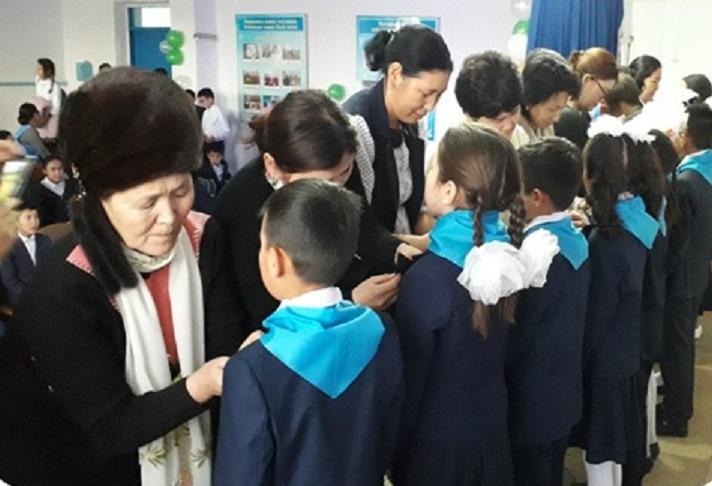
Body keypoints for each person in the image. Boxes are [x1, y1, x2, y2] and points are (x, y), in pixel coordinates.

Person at [1, 67, 247, 485]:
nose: (170, 218)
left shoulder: (203, 239)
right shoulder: (63, 288)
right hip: (75, 463)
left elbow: (225, 344)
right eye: (147, 203)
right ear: (98, 196)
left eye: (181, 191)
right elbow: (108, 429)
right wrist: (201, 385)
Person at [392, 122, 559, 485]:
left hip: (434, 449)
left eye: (432, 170)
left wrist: (391, 450)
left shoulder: (428, 278)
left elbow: (410, 382)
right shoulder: (514, 260)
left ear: (449, 190)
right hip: (492, 432)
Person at [214, 179, 404, 485]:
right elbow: (389, 435)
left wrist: (248, 360)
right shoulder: (382, 330)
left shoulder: (251, 369)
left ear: (276, 261)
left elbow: (241, 477)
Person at [214, 90, 418, 331]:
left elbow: (363, 224)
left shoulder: (336, 165)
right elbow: (263, 308)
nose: (336, 189)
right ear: (273, 166)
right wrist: (348, 302)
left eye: (346, 172)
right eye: (323, 182)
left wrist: (396, 249)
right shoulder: (240, 205)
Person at [571, 121, 653, 486]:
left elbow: (597, 316)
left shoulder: (606, 242)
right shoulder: (638, 220)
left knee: (601, 450)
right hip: (625, 351)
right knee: (615, 447)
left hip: (604, 362)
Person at [507, 137, 590, 486]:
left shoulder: (540, 252)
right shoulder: (574, 237)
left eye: (517, 189)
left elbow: (520, 333)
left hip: (531, 400)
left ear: (538, 197)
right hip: (563, 390)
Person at [344, 25, 452, 235]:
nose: (431, 106)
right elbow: (361, 224)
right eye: (425, 93)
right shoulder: (357, 126)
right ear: (395, 74)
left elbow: (411, 204)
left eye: (439, 95)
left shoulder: (413, 125)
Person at [658, 103, 712, 437]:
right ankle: (676, 401)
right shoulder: (705, 171)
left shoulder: (688, 180)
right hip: (697, 270)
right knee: (681, 345)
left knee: (677, 348)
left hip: (681, 278)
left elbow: (676, 241)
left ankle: (676, 415)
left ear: (687, 137)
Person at [454, 51, 525, 146]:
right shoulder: (454, 150)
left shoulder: (521, 137)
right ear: (470, 118)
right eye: (499, 120)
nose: (508, 126)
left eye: (514, 112)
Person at [555, 47, 618, 150]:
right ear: (587, 79)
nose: (603, 99)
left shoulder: (581, 116)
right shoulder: (570, 120)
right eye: (604, 91)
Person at [519, 49, 580, 145]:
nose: (556, 119)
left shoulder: (545, 127)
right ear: (529, 99)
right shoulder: (513, 131)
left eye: (561, 109)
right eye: (552, 109)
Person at [0, 202, 51, 305]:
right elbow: (10, 281)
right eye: (28, 218)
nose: (34, 222)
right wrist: (32, 296)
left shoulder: (45, 240)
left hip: (45, 292)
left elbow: (52, 268)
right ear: (16, 222)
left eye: (36, 217)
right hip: (21, 296)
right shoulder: (9, 245)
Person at [30, 154, 79, 226]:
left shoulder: (71, 185)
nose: (57, 172)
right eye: (53, 169)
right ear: (45, 171)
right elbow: (42, 217)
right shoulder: (37, 192)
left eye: (60, 168)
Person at [193, 142, 231, 214]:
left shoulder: (224, 166)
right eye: (212, 156)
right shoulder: (202, 170)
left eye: (218, 156)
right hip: (208, 201)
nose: (215, 159)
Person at [34, 58, 62, 139]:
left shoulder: (55, 86)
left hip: (50, 117)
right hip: (39, 117)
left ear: (48, 71)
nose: (37, 72)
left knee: (50, 138)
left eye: (40, 69)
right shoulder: (38, 82)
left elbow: (56, 106)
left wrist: (46, 117)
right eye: (37, 69)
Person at [197, 87, 229, 152]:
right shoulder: (205, 112)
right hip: (206, 143)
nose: (201, 104)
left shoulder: (218, 111)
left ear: (210, 99)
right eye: (200, 101)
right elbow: (204, 128)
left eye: (202, 101)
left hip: (216, 143)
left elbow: (226, 130)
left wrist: (214, 137)